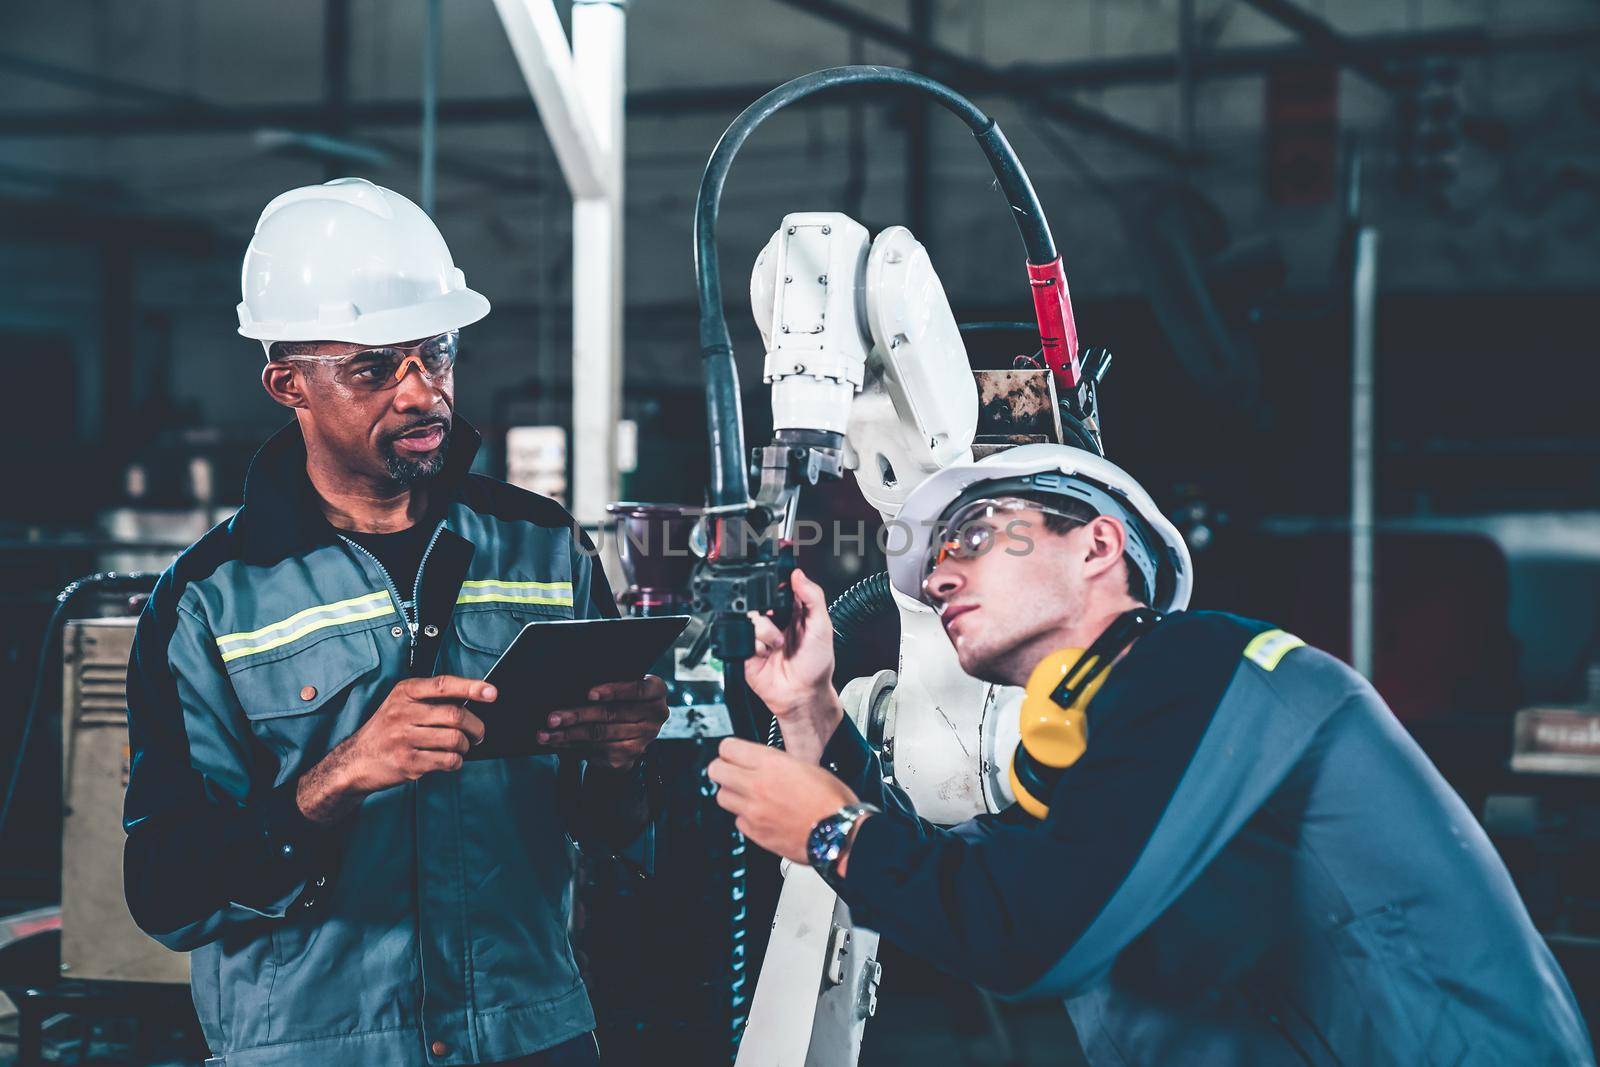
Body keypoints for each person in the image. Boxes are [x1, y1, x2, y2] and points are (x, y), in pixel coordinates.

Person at [709, 443, 1594, 1065]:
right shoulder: (1101, 744)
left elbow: (1024, 932)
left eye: (974, 537)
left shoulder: (1211, 670)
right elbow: (962, 882)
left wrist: (832, 832)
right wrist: (811, 707)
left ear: (1098, 543)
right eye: (935, 559)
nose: (938, 578)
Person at [123, 178, 667, 1067]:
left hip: (529, 1033)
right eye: (375, 368)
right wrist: (335, 779)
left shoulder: (544, 549)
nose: (421, 393)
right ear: (288, 382)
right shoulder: (210, 600)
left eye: (437, 356)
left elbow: (610, 834)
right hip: (315, 1049)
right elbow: (168, 891)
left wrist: (622, 767)